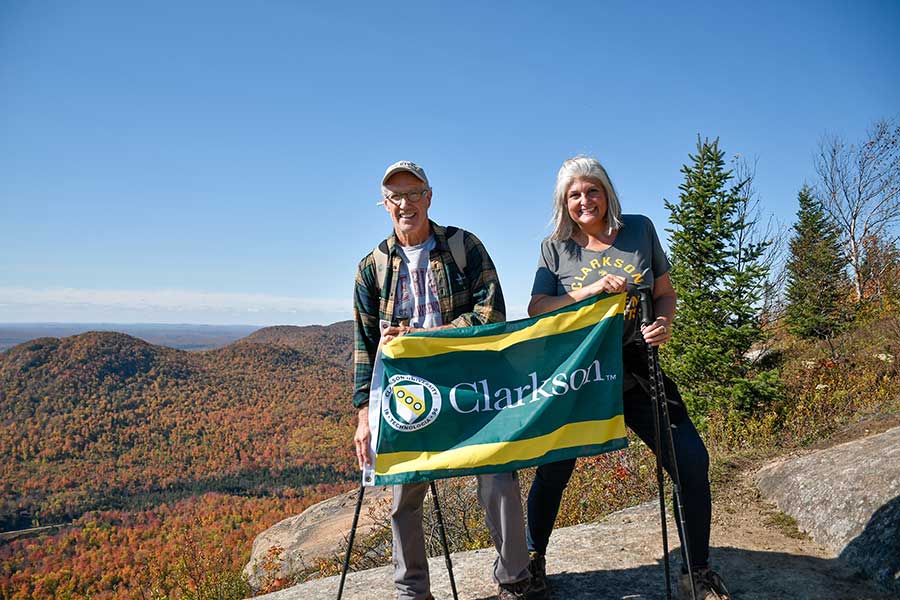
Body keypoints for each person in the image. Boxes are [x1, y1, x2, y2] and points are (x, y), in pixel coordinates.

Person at [524, 156, 731, 600]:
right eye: (574, 194)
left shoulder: (640, 229)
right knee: (553, 472)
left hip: (638, 368)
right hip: (581, 373)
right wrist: (590, 291)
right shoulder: (555, 247)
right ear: (564, 202)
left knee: (691, 463)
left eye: (592, 190)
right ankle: (532, 561)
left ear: (607, 192)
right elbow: (538, 308)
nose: (584, 201)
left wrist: (664, 324)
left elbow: (664, 293)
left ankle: (697, 571)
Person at [352, 160, 536, 600]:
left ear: (429, 197)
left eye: (413, 193)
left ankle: (515, 580)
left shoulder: (463, 247)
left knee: (499, 480)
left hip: (472, 385)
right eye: (395, 196)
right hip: (407, 394)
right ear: (384, 204)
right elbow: (363, 345)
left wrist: (426, 337)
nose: (405, 204)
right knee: (402, 496)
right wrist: (364, 414)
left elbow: (491, 316)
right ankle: (412, 591)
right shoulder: (371, 268)